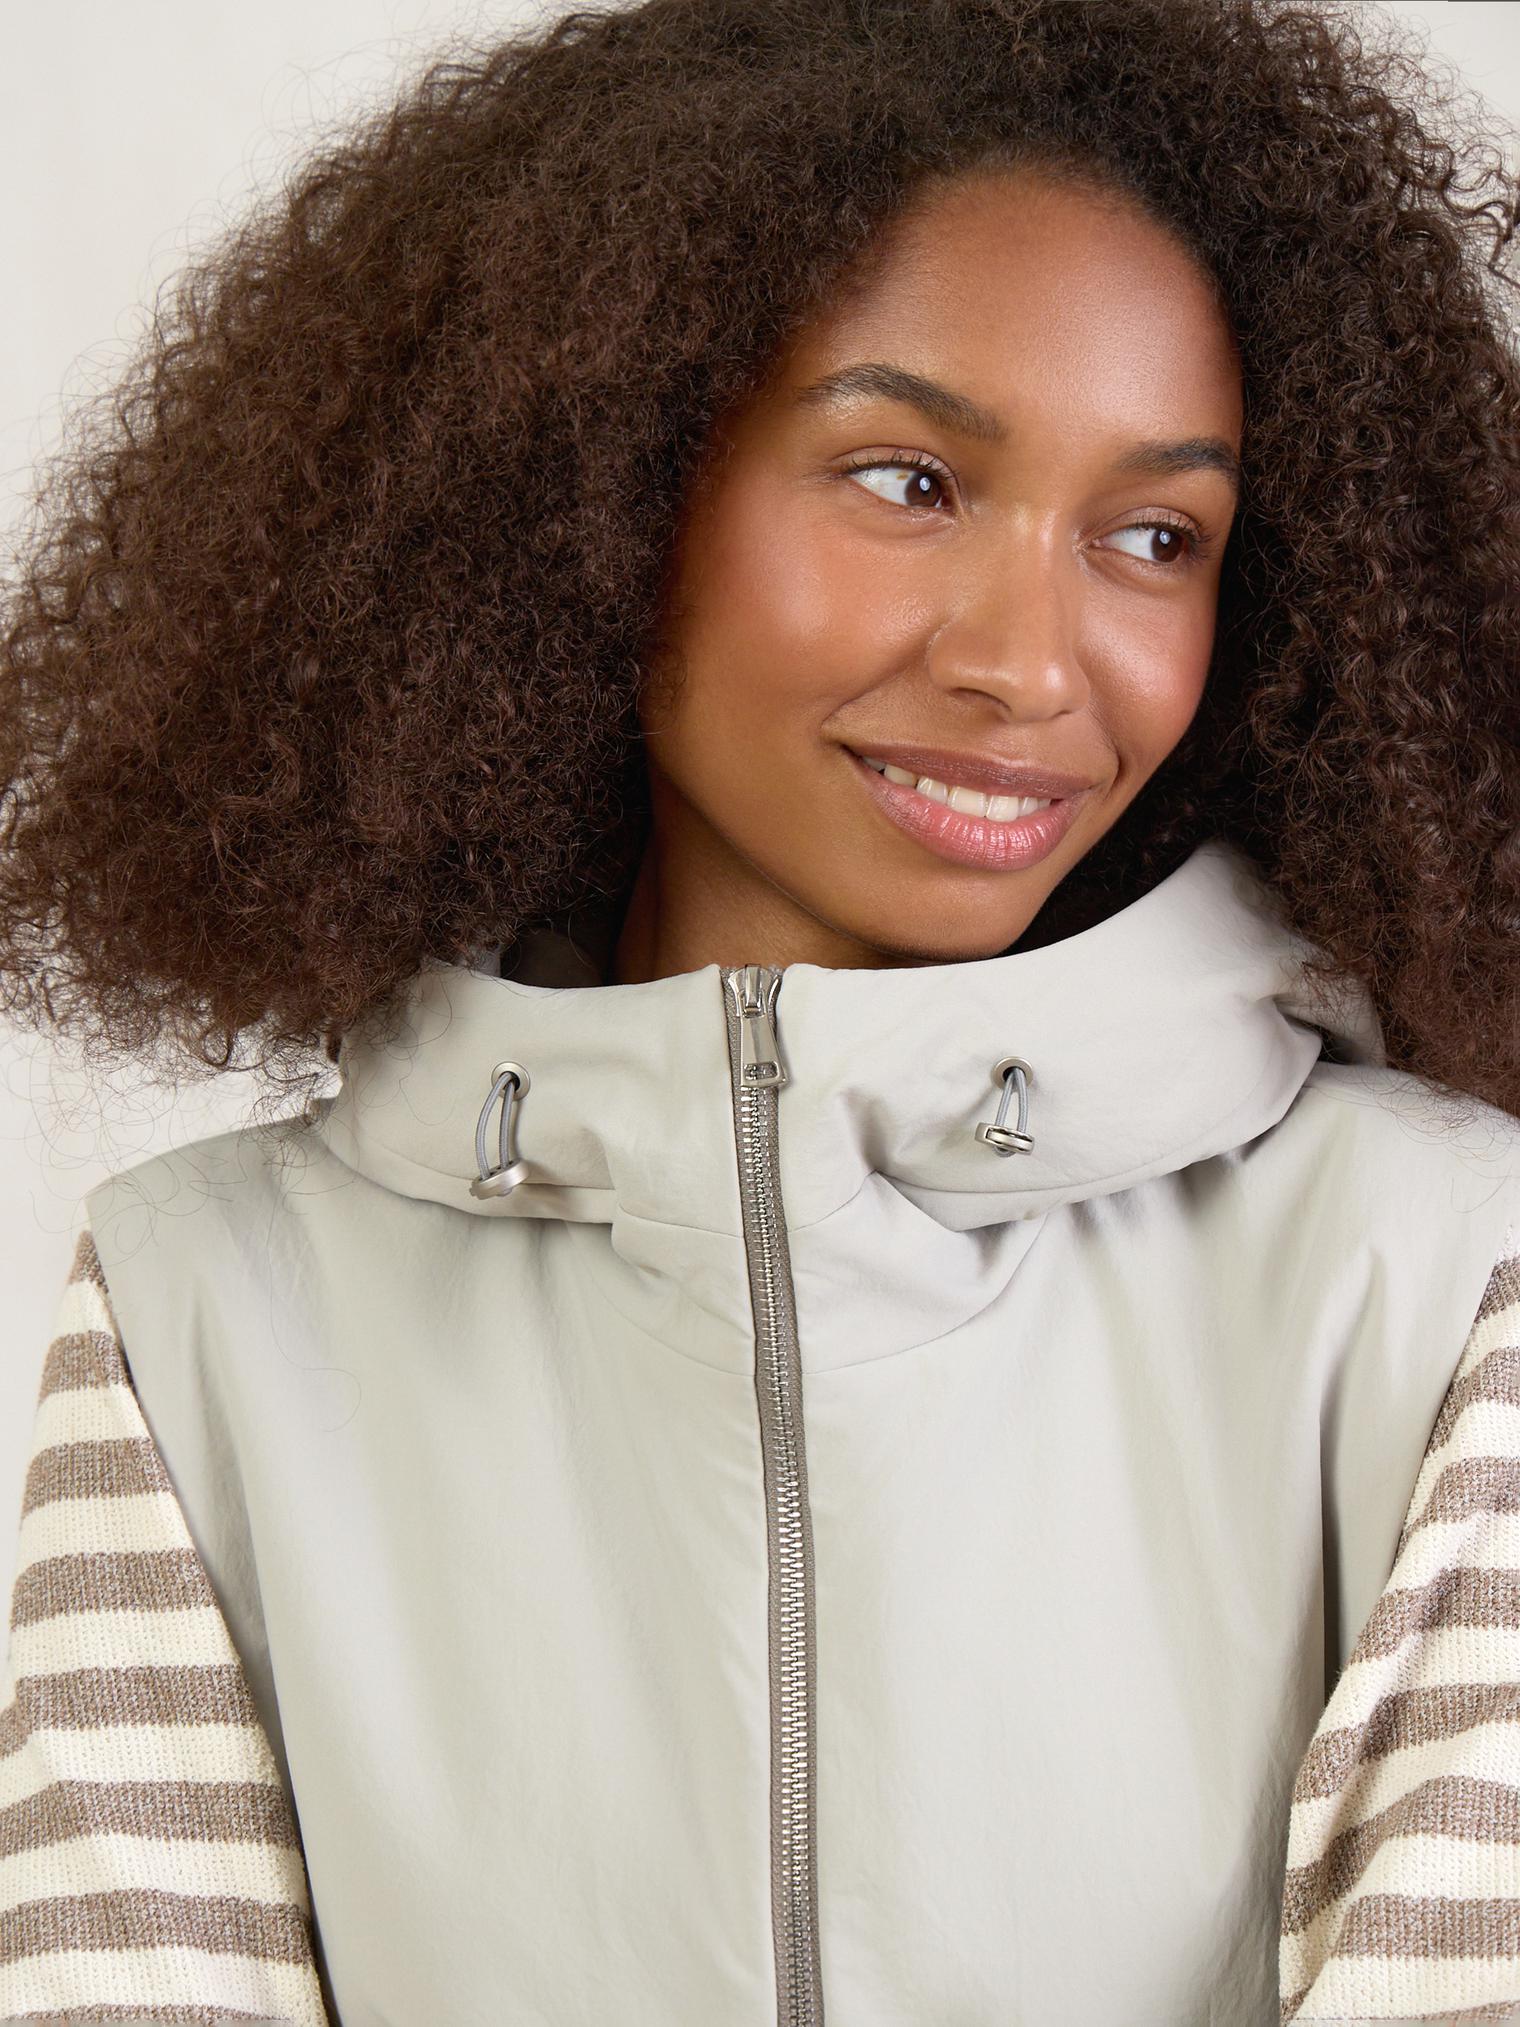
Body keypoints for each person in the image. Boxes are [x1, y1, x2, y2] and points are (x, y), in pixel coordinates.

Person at [1, 0, 1518, 2020]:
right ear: (600, 498)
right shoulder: (202, 1311)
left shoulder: (1442, 1276)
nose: (1031, 661)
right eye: (907, 478)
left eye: (1155, 536)